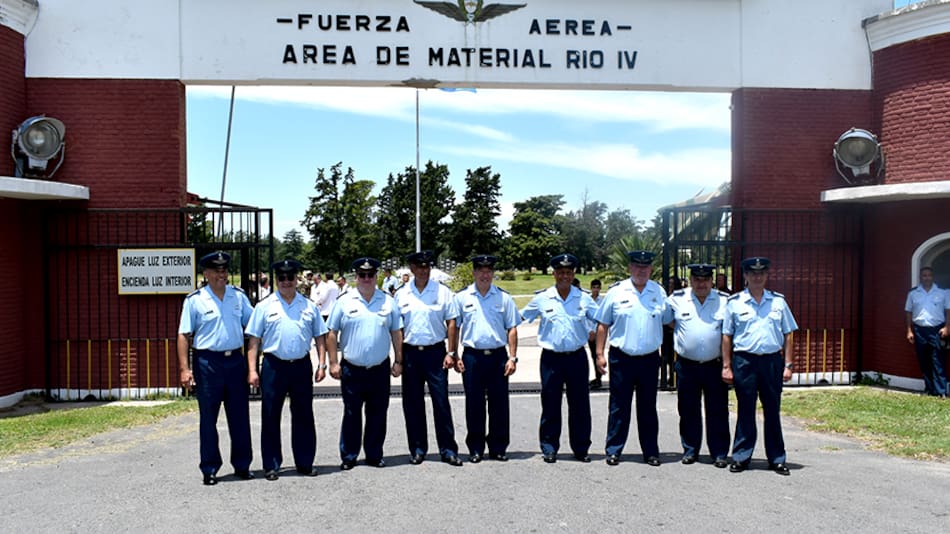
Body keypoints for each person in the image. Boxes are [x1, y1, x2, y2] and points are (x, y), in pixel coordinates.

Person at [176, 251, 254, 486]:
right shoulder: (195, 300)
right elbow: (183, 335)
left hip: (234, 362)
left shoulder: (238, 297)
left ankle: (242, 465)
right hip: (207, 363)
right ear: (206, 274)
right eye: (216, 271)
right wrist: (184, 369)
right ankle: (210, 468)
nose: (221, 275)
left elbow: (253, 326)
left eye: (224, 270)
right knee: (208, 418)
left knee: (239, 416)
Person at [245, 258, 328, 480]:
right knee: (271, 415)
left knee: (303, 416)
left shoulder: (308, 306)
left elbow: (320, 336)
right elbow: (253, 340)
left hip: (300, 366)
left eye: (290, 277)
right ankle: (271, 465)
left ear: (296, 279)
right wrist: (252, 370)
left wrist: (322, 364)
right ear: (276, 279)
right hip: (273, 365)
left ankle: (304, 462)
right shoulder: (264, 306)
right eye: (281, 277)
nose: (286, 281)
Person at [722, 257, 798, 476]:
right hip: (744, 361)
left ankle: (777, 459)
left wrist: (789, 365)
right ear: (745, 276)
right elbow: (726, 336)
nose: (757, 277)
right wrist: (727, 365)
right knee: (745, 410)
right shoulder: (735, 302)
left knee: (772, 411)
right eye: (752, 273)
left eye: (761, 273)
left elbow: (788, 334)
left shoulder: (778, 302)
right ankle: (741, 456)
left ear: (766, 276)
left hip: (771, 362)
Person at [326, 257, 403, 470]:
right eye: (362, 275)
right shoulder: (344, 301)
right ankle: (349, 455)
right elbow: (332, 333)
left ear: (377, 276)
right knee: (351, 413)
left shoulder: (388, 301)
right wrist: (333, 362)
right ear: (356, 276)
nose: (366, 278)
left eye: (370, 275)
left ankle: (374, 454)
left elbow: (396, 332)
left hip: (379, 368)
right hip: (352, 368)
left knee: (378, 413)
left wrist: (399, 360)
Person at [522, 253, 600, 464]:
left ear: (573, 274)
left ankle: (581, 448)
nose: (564, 276)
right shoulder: (542, 298)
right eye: (560, 272)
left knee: (580, 405)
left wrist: (600, 350)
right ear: (554, 274)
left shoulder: (583, 298)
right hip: (551, 359)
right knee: (550, 404)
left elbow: (603, 319)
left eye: (568, 272)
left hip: (576, 357)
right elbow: (519, 317)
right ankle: (549, 447)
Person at [594, 250, 668, 467]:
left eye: (645, 267)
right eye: (637, 266)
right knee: (619, 406)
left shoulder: (659, 292)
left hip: (649, 358)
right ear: (629, 267)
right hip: (621, 358)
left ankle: (651, 452)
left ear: (651, 269)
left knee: (648, 407)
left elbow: (670, 321)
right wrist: (599, 354)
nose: (641, 270)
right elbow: (603, 324)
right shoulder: (616, 292)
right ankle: (614, 450)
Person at [394, 250, 463, 466]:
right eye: (419, 267)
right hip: (411, 353)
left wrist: (451, 352)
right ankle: (417, 448)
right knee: (412, 404)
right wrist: (399, 358)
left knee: (441, 402)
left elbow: (452, 322)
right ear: (412, 269)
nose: (423, 270)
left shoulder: (443, 292)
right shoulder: (402, 294)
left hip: (436, 353)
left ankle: (448, 450)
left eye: (426, 267)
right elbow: (398, 328)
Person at [451, 254, 521, 463]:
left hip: (498, 356)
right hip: (472, 357)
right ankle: (475, 447)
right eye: (481, 270)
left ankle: (498, 447)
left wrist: (513, 357)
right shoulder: (463, 297)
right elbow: (455, 327)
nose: (485, 274)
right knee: (474, 404)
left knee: (500, 404)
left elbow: (512, 329)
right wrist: (454, 354)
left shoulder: (503, 298)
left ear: (493, 273)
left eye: (489, 271)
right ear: (473, 273)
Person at [663, 263, 730, 468]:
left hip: (714, 365)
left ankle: (719, 453)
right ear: (691, 280)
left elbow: (729, 331)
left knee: (717, 410)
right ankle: (690, 449)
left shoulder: (724, 301)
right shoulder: (677, 299)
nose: (701, 284)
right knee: (688, 409)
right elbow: (669, 321)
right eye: (697, 280)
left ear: (711, 281)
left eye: (706, 280)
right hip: (687, 365)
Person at [904, 266, 949, 397]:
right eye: (924, 275)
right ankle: (929, 389)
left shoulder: (943, 293)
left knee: (938, 360)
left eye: (929, 275)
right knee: (924, 360)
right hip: (919, 330)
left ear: (933, 277)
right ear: (920, 277)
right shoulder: (913, 294)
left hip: (937, 330)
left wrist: (947, 327)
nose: (927, 278)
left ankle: (941, 391)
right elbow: (908, 312)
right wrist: (909, 330)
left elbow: (948, 311)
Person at [588, 279, 605, 389]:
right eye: (594, 287)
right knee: (592, 355)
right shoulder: (587, 300)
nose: (596, 289)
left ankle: (599, 378)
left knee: (598, 355)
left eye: (597, 287)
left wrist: (595, 330)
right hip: (588, 332)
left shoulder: (602, 301)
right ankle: (596, 377)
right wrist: (589, 330)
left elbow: (602, 318)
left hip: (597, 332)